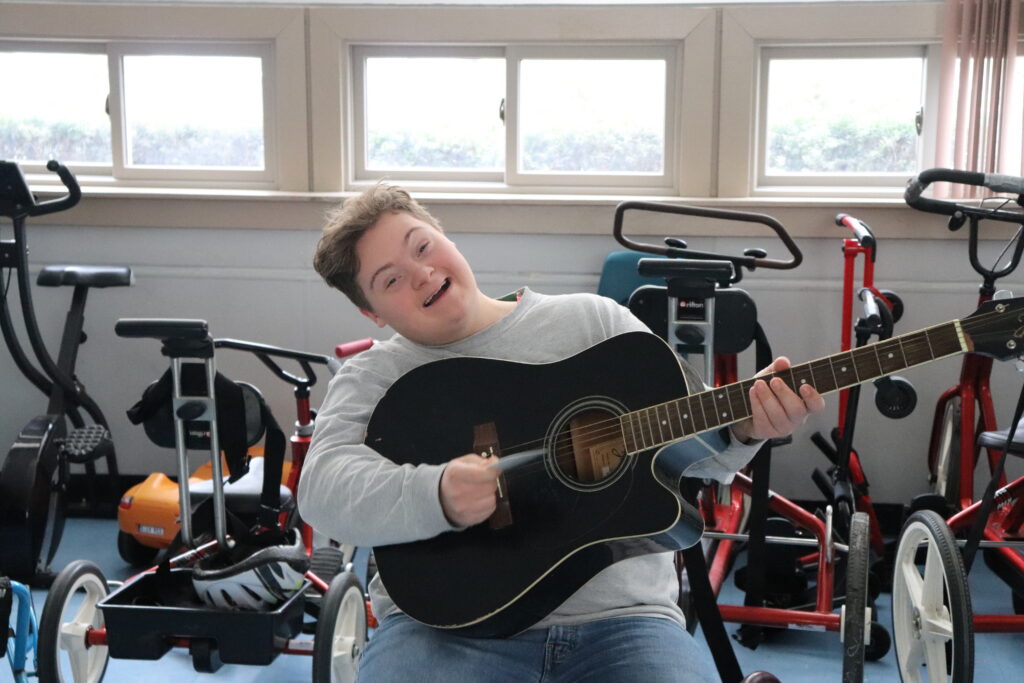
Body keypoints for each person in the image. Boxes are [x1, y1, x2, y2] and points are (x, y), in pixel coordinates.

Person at [298, 184, 825, 682]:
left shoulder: (595, 324)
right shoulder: (374, 377)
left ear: (447, 239)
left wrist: (747, 426)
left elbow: (707, 459)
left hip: (625, 623)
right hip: (442, 631)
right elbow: (321, 490)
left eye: (423, 246)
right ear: (372, 312)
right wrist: (434, 494)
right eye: (389, 279)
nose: (420, 273)